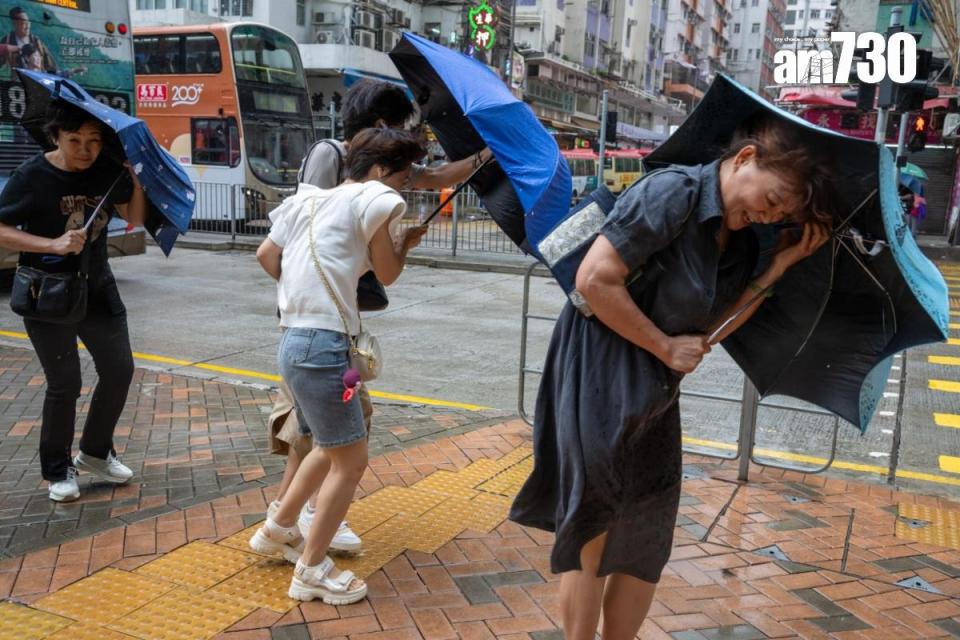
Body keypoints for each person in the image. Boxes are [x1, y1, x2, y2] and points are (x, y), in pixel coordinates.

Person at [508, 114, 835, 640]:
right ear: (746, 158)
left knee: (646, 535)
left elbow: (713, 327)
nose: (770, 215)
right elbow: (596, 279)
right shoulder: (674, 193)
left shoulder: (745, 242)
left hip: (655, 391)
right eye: (773, 199)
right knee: (592, 525)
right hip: (598, 370)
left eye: (783, 213)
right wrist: (663, 345)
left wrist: (779, 268)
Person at [263, 78, 493, 552]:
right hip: (319, 332)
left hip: (312, 332)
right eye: (401, 126)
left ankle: (282, 524)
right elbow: (310, 241)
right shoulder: (344, 167)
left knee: (323, 434)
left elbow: (435, 177)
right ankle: (306, 544)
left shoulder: (376, 174)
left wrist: (482, 158)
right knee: (335, 442)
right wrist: (312, 295)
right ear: (383, 125)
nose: (410, 179)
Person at [252, 127, 429, 604]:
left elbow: (267, 254)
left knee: (327, 446)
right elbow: (388, 273)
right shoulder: (375, 198)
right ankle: (310, 570)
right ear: (377, 171)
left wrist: (300, 296)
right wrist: (404, 243)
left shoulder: (309, 202)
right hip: (327, 350)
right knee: (352, 460)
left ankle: (278, 527)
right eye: (404, 175)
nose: (404, 186)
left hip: (295, 344)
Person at [0, 100, 147, 502]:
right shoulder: (32, 176)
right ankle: (57, 469)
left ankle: (96, 453)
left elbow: (133, 216)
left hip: (98, 288)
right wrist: (52, 243)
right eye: (75, 140)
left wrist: (134, 181)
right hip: (46, 291)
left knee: (119, 370)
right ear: (56, 137)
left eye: (94, 141)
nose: (85, 150)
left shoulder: (104, 171)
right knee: (65, 383)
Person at [3, 7, 56, 74]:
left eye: (28, 22)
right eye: (23, 23)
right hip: (16, 82)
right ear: (15, 24)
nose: (27, 26)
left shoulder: (37, 41)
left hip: (35, 81)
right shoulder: (7, 41)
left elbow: (51, 65)